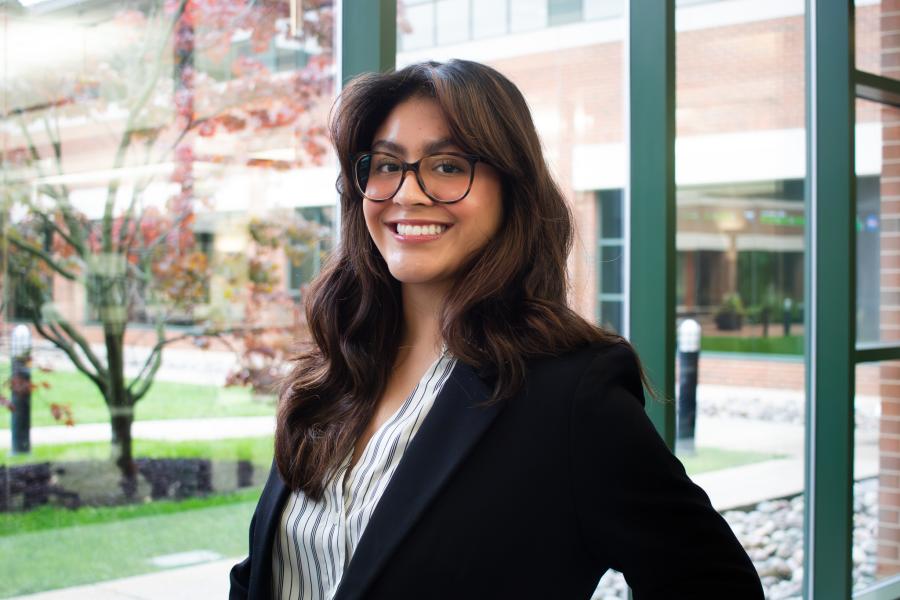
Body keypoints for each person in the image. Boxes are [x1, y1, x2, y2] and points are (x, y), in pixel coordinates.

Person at [229, 59, 764, 600]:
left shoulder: (570, 391)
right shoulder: (334, 369)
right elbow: (265, 573)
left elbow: (716, 584)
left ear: (512, 189)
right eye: (386, 164)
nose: (407, 194)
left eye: (447, 165)